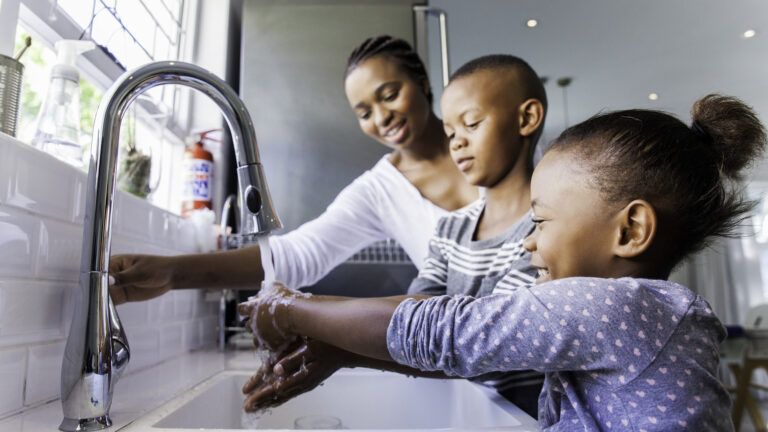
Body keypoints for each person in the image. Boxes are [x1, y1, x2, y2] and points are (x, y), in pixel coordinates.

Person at [241, 94, 766, 431]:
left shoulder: (618, 306)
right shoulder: (635, 314)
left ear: (629, 231)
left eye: (541, 222)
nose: (528, 243)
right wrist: (343, 353)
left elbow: (450, 331)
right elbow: (484, 351)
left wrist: (290, 307)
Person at [241, 54, 548, 417]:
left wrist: (294, 310)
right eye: (450, 132)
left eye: (472, 124)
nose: (457, 143)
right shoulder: (451, 231)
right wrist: (340, 351)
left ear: (526, 118)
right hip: (478, 415)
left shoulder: (547, 231)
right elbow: (419, 321)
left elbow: (475, 339)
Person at [108, 35, 477, 304]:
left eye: (390, 94)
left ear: (423, 84)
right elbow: (299, 255)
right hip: (485, 373)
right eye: (364, 113)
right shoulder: (379, 191)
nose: (382, 117)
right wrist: (173, 272)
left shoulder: (484, 137)